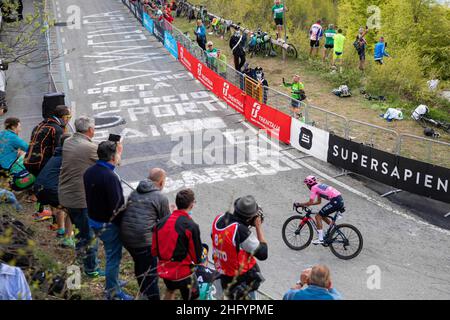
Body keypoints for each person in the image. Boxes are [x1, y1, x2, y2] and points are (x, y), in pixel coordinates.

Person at [83, 140, 133, 300]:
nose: (119, 156)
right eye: (118, 153)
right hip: (108, 224)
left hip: (93, 220)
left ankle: (114, 282)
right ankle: (113, 291)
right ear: (112, 156)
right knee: (113, 257)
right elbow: (117, 207)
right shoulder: (110, 177)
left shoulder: (89, 171)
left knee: (110, 255)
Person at [120, 168, 171, 300]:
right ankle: (152, 297)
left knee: (139, 264)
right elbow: (167, 223)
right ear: (160, 182)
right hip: (143, 241)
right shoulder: (160, 197)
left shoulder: (134, 192)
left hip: (126, 238)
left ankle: (143, 293)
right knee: (151, 274)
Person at [58, 116, 101, 278]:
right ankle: (91, 269)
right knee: (89, 235)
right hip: (80, 199)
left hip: (66, 195)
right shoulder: (89, 147)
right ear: (90, 130)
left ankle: (81, 262)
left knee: (80, 232)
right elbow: (110, 163)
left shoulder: (69, 141)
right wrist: (117, 150)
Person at [211, 195, 268, 300]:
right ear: (250, 217)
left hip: (223, 273)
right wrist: (258, 227)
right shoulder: (240, 231)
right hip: (241, 280)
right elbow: (263, 254)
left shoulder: (219, 219)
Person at [151, 188, 202, 300]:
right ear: (191, 204)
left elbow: (154, 250)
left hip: (165, 271)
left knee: (170, 290)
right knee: (191, 297)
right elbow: (197, 257)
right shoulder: (191, 226)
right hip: (184, 273)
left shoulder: (160, 223)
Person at [32, 134, 74, 247]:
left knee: (60, 204)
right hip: (49, 190)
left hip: (38, 189)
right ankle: (67, 239)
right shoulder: (67, 157)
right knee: (74, 209)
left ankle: (61, 230)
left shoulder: (55, 155)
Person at [295, 175, 344, 245]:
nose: (307, 186)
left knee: (318, 216)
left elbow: (310, 202)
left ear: (309, 184)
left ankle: (320, 239)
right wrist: (306, 204)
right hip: (339, 200)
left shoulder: (314, 188)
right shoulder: (318, 186)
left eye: (307, 185)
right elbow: (318, 202)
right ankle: (334, 230)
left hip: (335, 201)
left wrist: (300, 204)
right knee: (322, 215)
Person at [24, 105, 71, 178]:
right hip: (42, 165)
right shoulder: (56, 129)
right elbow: (57, 151)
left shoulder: (39, 125)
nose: (69, 120)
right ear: (64, 117)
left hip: (29, 162)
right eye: (69, 117)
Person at [0, 117, 35, 192]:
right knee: (29, 156)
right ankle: (29, 186)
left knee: (20, 152)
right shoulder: (13, 137)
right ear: (13, 127)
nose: (20, 128)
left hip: (1, 163)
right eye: (19, 126)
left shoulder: (1, 133)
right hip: (7, 165)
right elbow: (28, 149)